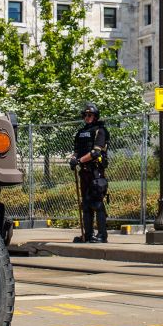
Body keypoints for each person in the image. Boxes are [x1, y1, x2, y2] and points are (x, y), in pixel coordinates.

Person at [69, 104, 110, 243]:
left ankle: (102, 235)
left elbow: (95, 152)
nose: (87, 118)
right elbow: (76, 151)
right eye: (85, 115)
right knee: (86, 204)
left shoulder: (100, 131)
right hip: (84, 172)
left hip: (96, 171)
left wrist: (79, 161)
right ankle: (88, 234)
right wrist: (73, 159)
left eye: (90, 115)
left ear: (95, 116)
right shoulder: (80, 133)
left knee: (97, 203)